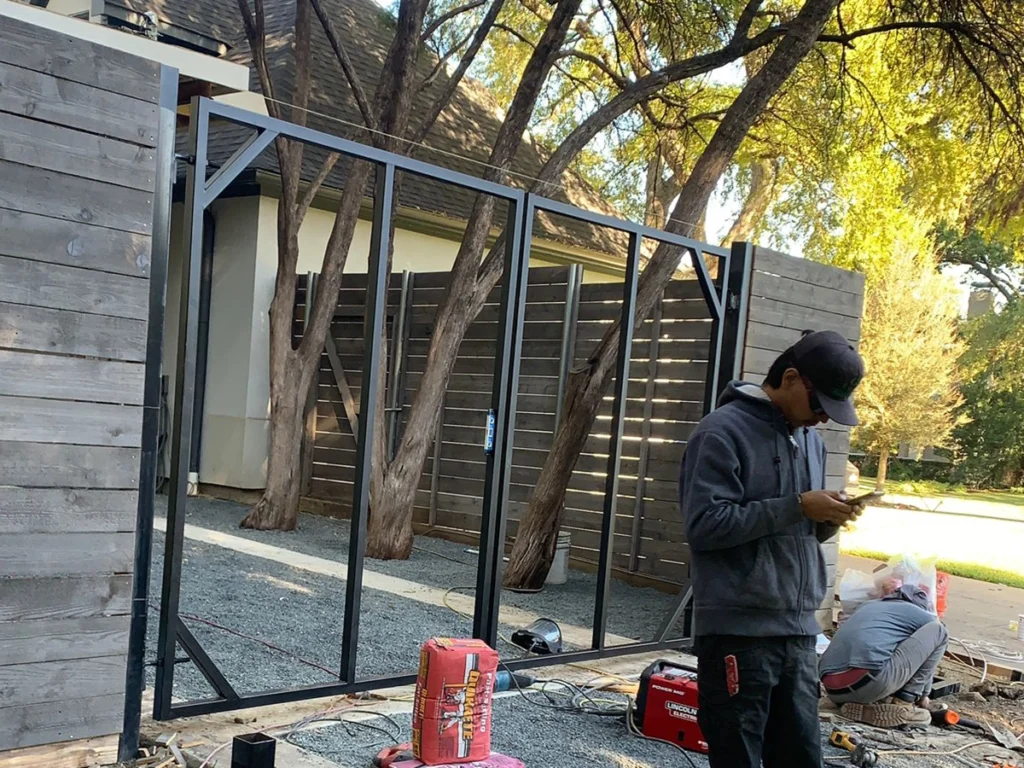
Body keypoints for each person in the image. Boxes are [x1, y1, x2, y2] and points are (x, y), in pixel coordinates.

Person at [679, 329, 865, 768]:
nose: (823, 419)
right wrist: (798, 505)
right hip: (738, 634)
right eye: (819, 405)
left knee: (801, 757)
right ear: (791, 377)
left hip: (798, 632)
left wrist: (824, 519)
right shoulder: (720, 432)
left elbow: (795, 530)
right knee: (739, 757)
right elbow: (705, 525)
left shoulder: (811, 443)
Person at [819, 585, 948, 727]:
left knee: (878, 653)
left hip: (833, 689)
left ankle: (866, 705)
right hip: (869, 684)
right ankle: (904, 704)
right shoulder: (921, 615)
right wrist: (922, 696)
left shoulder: (867, 606)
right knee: (940, 631)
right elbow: (925, 653)